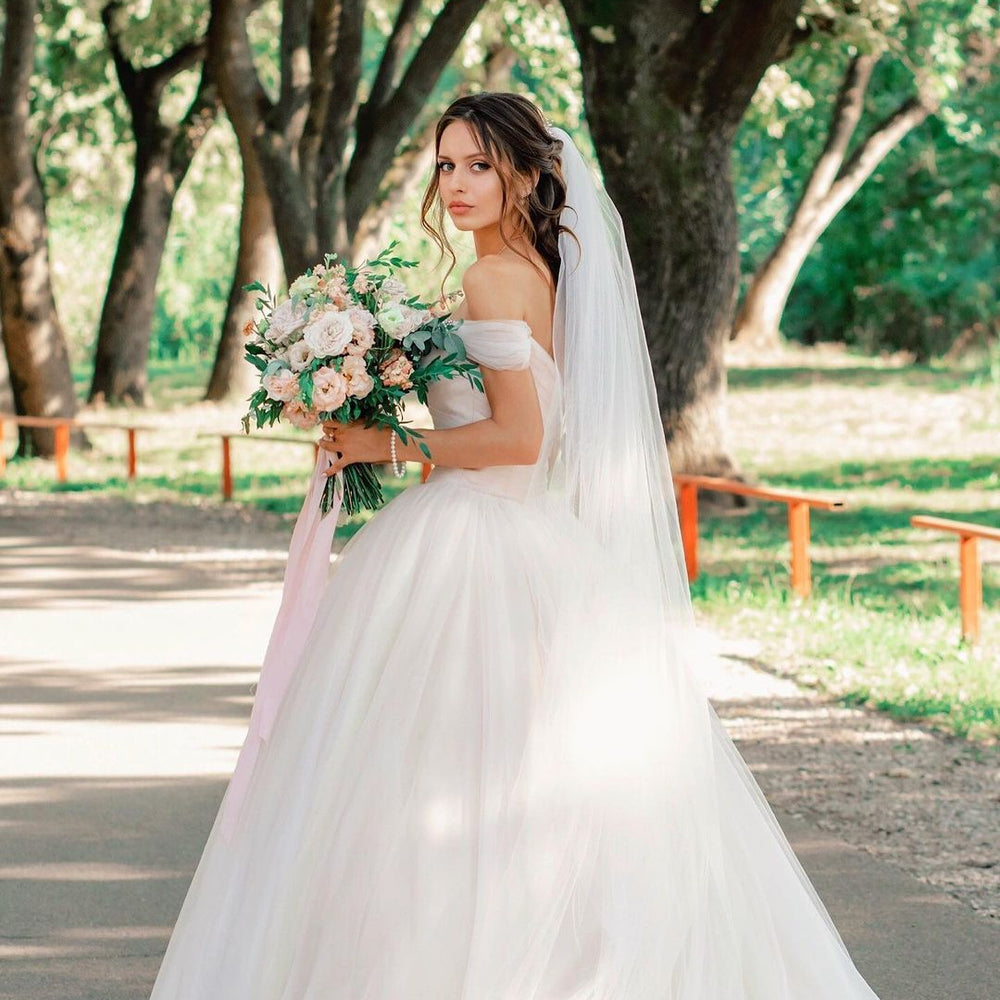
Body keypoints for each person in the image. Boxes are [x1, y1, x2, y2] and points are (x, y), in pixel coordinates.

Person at [148, 93, 882, 999]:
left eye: (479, 166)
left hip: (474, 539)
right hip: (505, 532)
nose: (455, 184)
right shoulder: (531, 267)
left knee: (423, 777)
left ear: (526, 174)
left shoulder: (497, 279)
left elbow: (519, 439)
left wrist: (383, 440)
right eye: (446, 165)